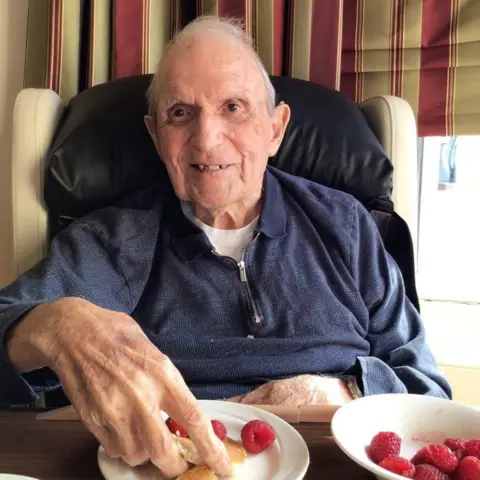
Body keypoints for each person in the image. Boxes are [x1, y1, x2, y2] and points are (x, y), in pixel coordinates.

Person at [0, 16, 450, 479]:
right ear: (155, 136)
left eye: (233, 107)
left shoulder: (348, 226)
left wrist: (342, 392)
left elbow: (429, 398)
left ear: (275, 129)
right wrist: (51, 328)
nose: (207, 138)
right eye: (180, 113)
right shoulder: (112, 240)